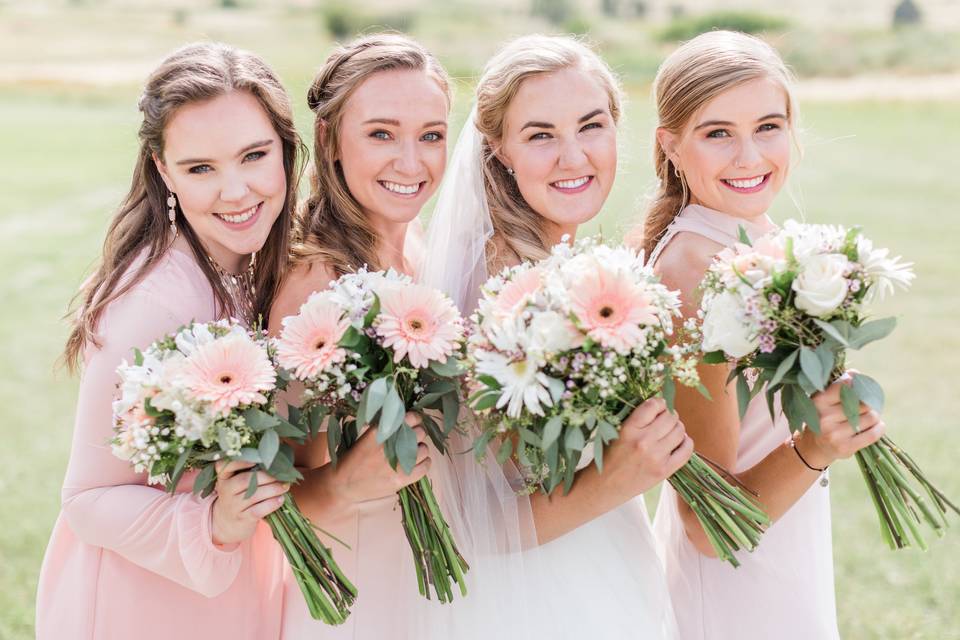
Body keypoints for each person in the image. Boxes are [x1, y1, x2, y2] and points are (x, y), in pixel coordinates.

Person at [36, 42, 305, 639]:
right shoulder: (154, 302)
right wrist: (215, 523)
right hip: (146, 605)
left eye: (254, 156)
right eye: (201, 168)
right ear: (164, 171)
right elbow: (88, 497)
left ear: (286, 150)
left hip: (227, 591)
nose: (235, 192)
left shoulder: (256, 263)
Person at [635, 30, 886, 640]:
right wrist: (817, 447)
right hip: (736, 587)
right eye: (717, 133)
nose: (749, 156)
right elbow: (708, 523)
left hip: (784, 541)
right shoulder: (694, 270)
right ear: (671, 146)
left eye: (768, 126)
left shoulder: (748, 235)